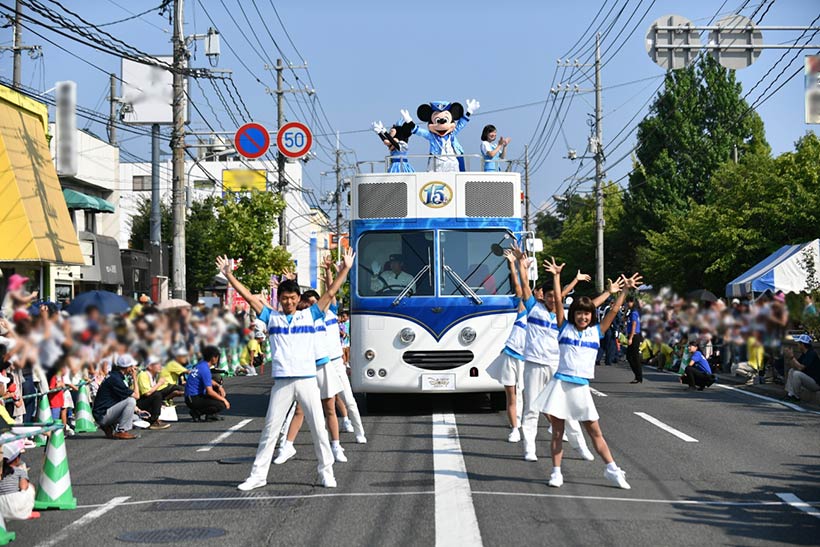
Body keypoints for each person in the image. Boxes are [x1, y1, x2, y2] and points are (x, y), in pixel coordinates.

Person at [217, 247, 355, 492]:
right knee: (270, 430)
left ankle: (326, 472)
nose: (289, 302)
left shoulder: (309, 315)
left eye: (292, 298)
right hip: (282, 382)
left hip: (307, 380)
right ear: (279, 300)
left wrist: (345, 268)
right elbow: (249, 297)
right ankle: (258, 475)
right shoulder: (272, 317)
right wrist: (229, 276)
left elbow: (331, 291)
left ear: (297, 299)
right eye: (284, 299)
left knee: (318, 430)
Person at [537, 259, 640, 490]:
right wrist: (556, 276)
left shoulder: (597, 332)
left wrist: (622, 290)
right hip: (561, 385)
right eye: (579, 313)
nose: (583, 317)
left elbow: (613, 310)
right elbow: (559, 300)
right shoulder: (564, 327)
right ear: (572, 314)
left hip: (581, 388)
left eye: (587, 314)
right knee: (557, 432)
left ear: (591, 316)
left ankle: (612, 469)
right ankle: (556, 472)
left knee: (595, 432)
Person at [519, 252, 594, 463]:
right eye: (549, 296)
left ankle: (581, 447)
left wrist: (570, 280)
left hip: (557, 367)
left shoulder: (563, 316)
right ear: (542, 295)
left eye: (555, 296)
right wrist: (521, 266)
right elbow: (525, 286)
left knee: (567, 410)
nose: (552, 299)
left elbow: (568, 297)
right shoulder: (533, 307)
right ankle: (529, 448)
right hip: (534, 364)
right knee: (532, 408)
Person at [486, 247, 527, 442]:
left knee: (532, 396)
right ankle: (515, 428)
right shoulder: (523, 309)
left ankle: (556, 426)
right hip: (511, 355)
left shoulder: (544, 314)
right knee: (511, 395)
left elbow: (559, 299)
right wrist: (514, 263)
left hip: (529, 359)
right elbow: (521, 285)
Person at [92, 354, 140, 440]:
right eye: (132, 366)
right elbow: (136, 396)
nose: (134, 368)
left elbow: (122, 397)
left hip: (103, 412)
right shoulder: (116, 379)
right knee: (131, 401)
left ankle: (108, 426)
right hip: (102, 415)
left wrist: (138, 410)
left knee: (136, 418)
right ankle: (121, 431)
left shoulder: (114, 375)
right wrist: (134, 377)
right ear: (128, 368)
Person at [184, 346, 230, 422]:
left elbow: (208, 380)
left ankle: (211, 415)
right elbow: (209, 391)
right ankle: (196, 412)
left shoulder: (201, 364)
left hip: (190, 397)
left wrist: (219, 386)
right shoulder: (205, 369)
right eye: (217, 357)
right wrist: (224, 400)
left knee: (216, 385)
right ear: (213, 358)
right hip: (193, 398)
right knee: (221, 404)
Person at [0, 435, 36, 523]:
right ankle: (26, 510)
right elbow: (24, 486)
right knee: (30, 487)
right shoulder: (19, 471)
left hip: (2, 507)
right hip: (17, 507)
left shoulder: (1, 472)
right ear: (16, 459)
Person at [136, 355, 172, 430]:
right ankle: (153, 421)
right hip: (136, 403)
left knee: (159, 395)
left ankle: (153, 418)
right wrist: (159, 383)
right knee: (157, 395)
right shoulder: (143, 375)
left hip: (142, 400)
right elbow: (147, 393)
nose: (160, 366)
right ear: (149, 366)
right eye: (157, 364)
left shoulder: (153, 376)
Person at [783, 334, 820, 402]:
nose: (797, 345)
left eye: (798, 343)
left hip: (816, 384)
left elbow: (800, 368)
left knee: (797, 374)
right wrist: (790, 357)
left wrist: (792, 357)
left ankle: (796, 397)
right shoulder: (804, 354)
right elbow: (795, 366)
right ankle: (790, 394)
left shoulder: (811, 354)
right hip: (809, 379)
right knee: (792, 370)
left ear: (802, 344)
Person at [625, 296, 643, 383]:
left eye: (630, 302)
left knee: (634, 357)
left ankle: (639, 376)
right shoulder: (630, 312)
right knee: (629, 356)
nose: (628, 304)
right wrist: (625, 312)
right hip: (631, 335)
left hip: (635, 336)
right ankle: (637, 375)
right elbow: (624, 319)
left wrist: (631, 338)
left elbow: (634, 325)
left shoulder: (634, 312)